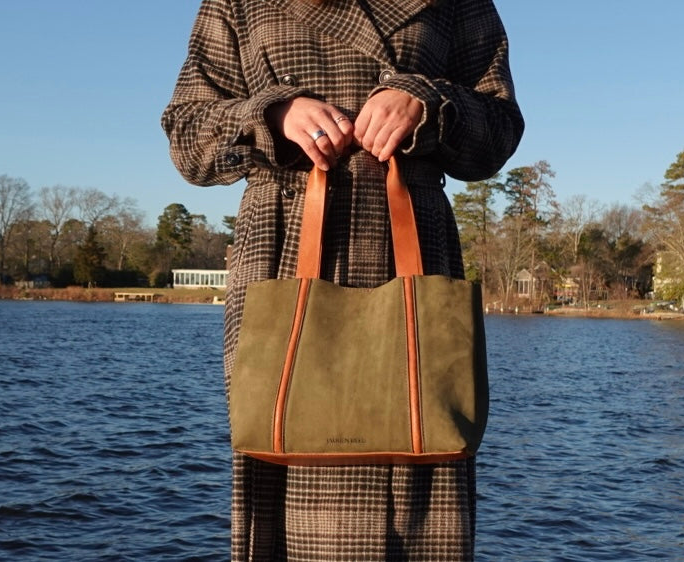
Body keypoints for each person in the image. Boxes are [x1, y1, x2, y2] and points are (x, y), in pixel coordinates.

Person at [162, 0, 523, 559]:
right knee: (286, 440)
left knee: (423, 447)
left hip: (411, 252)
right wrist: (273, 113)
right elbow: (186, 136)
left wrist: (427, 101)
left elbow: (498, 130)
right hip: (281, 251)